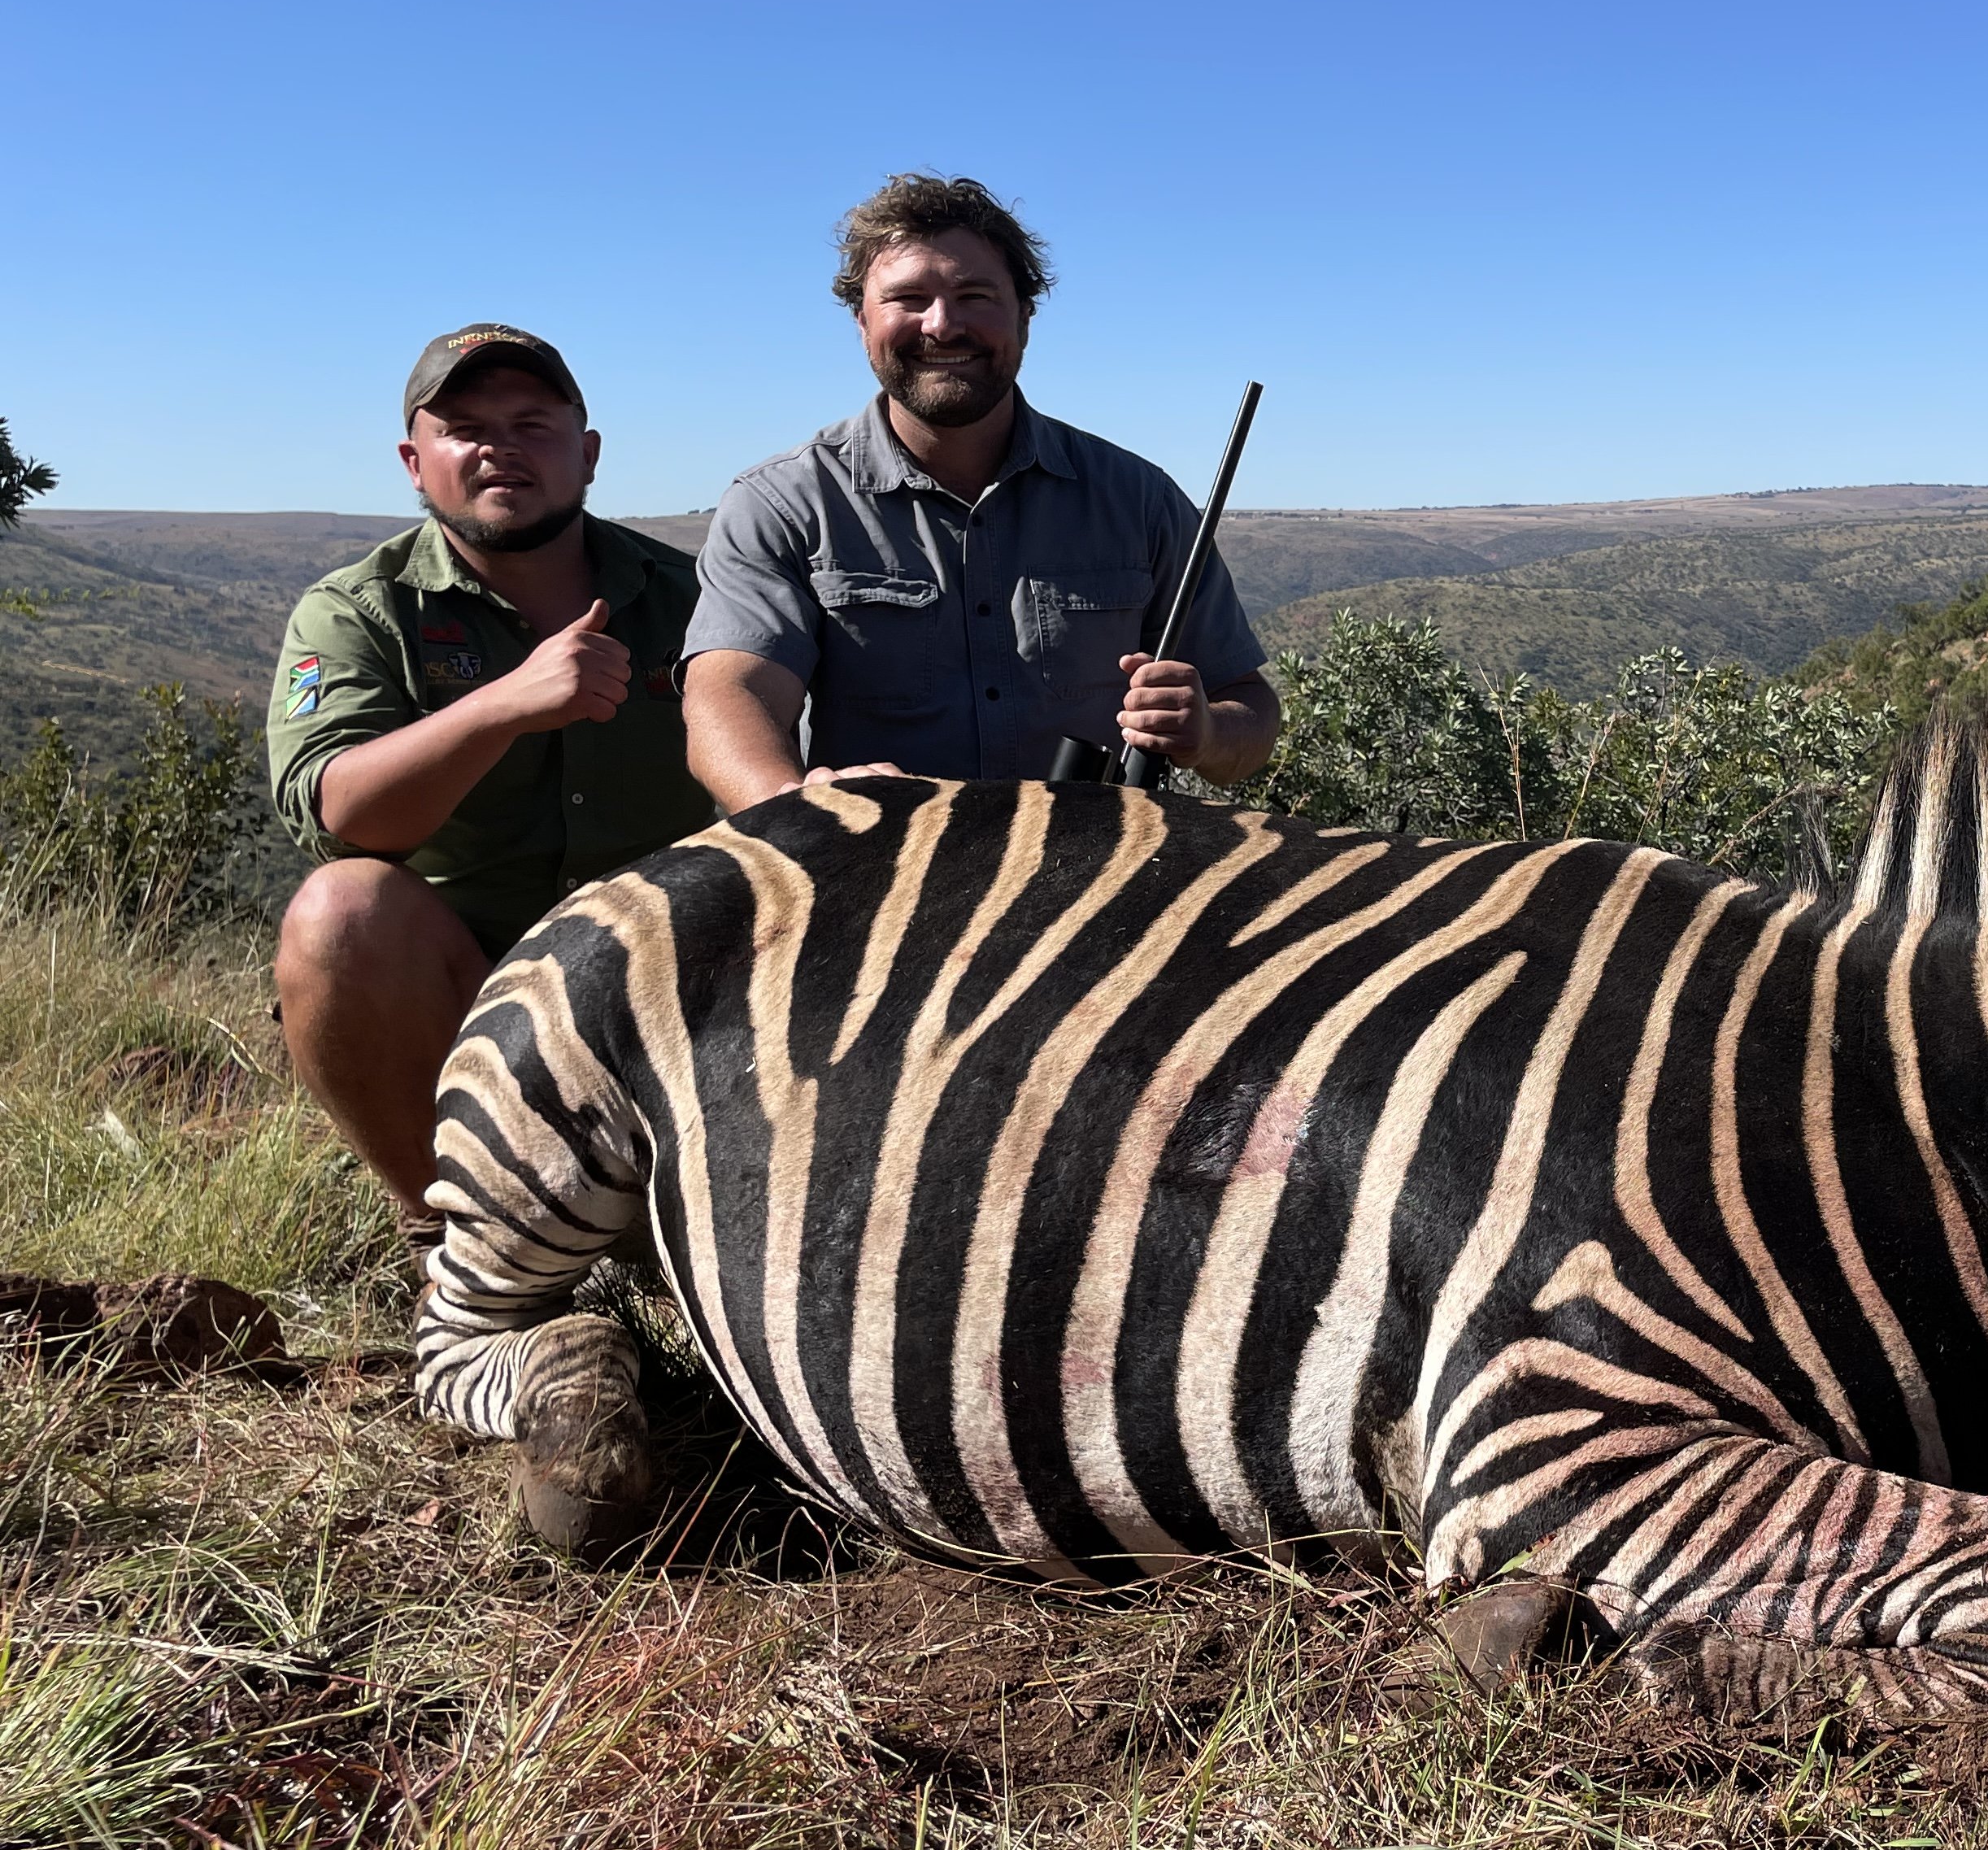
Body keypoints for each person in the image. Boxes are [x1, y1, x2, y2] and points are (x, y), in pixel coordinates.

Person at [268, 326, 710, 1230]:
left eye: (531, 424)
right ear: (414, 460)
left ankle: (680, 1244)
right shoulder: (359, 609)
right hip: (461, 1000)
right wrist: (506, 703)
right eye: (464, 427)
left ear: (586, 454)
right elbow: (340, 813)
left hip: (674, 989)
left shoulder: (696, 596)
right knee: (341, 914)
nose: (498, 448)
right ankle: (456, 1243)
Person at [680, 174, 1281, 807]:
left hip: (1101, 886)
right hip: (878, 887)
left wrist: (1209, 732)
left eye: (974, 294)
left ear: (1025, 315)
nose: (942, 325)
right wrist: (794, 804)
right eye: (908, 298)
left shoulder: (1140, 499)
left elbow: (1248, 704)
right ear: (862, 321)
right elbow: (731, 694)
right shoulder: (780, 505)